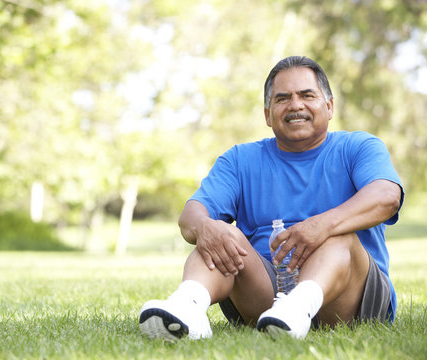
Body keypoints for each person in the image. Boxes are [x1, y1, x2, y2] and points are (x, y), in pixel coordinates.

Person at [138, 55, 404, 341]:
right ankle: (187, 308)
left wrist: (322, 225)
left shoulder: (358, 147)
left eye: (307, 95)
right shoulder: (240, 160)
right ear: (267, 114)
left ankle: (300, 307)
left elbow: (387, 196)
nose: (295, 105)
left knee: (340, 237)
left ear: (328, 107)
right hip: (267, 296)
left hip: (349, 297)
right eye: (282, 98)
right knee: (218, 234)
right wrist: (206, 227)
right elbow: (191, 216)